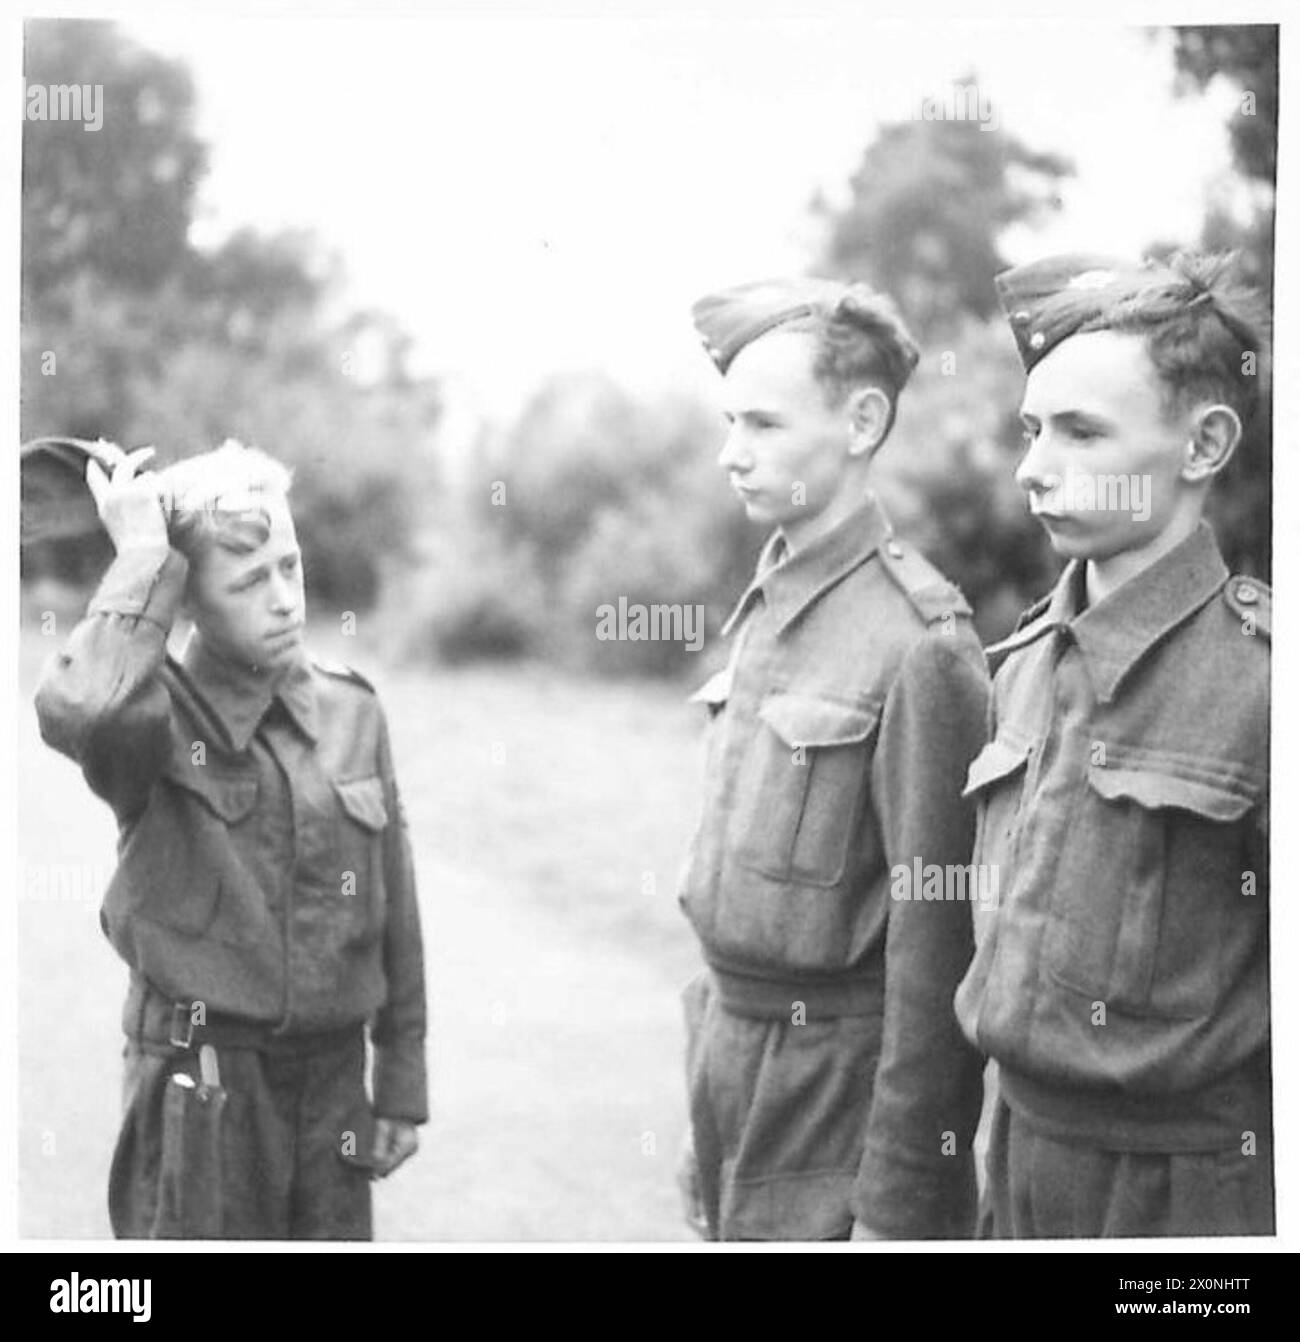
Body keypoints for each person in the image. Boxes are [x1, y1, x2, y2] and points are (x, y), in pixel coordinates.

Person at [35, 439, 428, 1240]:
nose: (284, 598)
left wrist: (400, 1082)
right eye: (249, 581)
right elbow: (83, 708)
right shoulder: (149, 718)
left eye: (291, 567)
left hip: (332, 1088)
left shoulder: (354, 712)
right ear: (186, 601)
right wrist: (145, 557)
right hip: (203, 1085)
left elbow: (395, 911)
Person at [956, 252, 1272, 1238]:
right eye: (1031, 429)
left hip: (1183, 1194)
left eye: (1081, 431)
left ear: (1202, 443)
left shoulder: (1265, 685)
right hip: (1012, 1160)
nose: (1030, 467)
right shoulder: (1015, 667)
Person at [677, 278, 989, 1240]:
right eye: (730, 422)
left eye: (764, 425)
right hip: (735, 1064)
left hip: (836, 1094)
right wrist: (704, 1117)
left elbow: (937, 954)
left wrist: (895, 1205)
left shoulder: (920, 641)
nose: (733, 454)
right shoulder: (770, 601)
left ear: (861, 422)